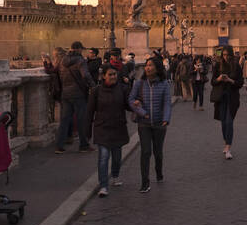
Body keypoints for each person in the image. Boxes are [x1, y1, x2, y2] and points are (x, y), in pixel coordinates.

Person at [129, 56, 172, 193]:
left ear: (157, 68)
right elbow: (131, 100)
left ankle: (158, 172)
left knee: (158, 152)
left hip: (159, 123)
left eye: (151, 65)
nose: (147, 67)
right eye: (147, 65)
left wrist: (166, 118)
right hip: (144, 123)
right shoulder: (139, 84)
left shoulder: (164, 84)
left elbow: (166, 103)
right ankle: (145, 182)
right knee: (145, 152)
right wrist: (141, 111)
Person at [86, 67, 130, 197]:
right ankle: (103, 185)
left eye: (115, 74)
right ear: (103, 76)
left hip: (118, 127)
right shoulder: (96, 91)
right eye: (110, 74)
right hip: (102, 128)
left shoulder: (122, 89)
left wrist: (138, 106)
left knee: (117, 158)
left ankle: (115, 175)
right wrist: (87, 132)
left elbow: (128, 105)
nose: (113, 77)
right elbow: (89, 112)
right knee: (103, 157)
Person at [54, 42, 95, 154]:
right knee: (82, 120)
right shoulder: (80, 60)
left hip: (65, 93)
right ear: (78, 49)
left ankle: (59, 146)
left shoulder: (62, 60)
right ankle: (83, 145)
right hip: (78, 94)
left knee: (64, 120)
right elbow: (85, 75)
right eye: (81, 49)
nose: (82, 51)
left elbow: (56, 72)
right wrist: (93, 86)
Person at [210, 46, 244, 160]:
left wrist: (230, 80)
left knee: (229, 122)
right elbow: (213, 82)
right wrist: (219, 79)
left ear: (231, 55)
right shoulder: (217, 66)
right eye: (224, 55)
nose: (226, 57)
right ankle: (226, 142)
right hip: (221, 98)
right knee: (223, 122)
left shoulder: (237, 67)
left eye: (228, 55)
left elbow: (240, 83)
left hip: (232, 98)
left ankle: (228, 147)